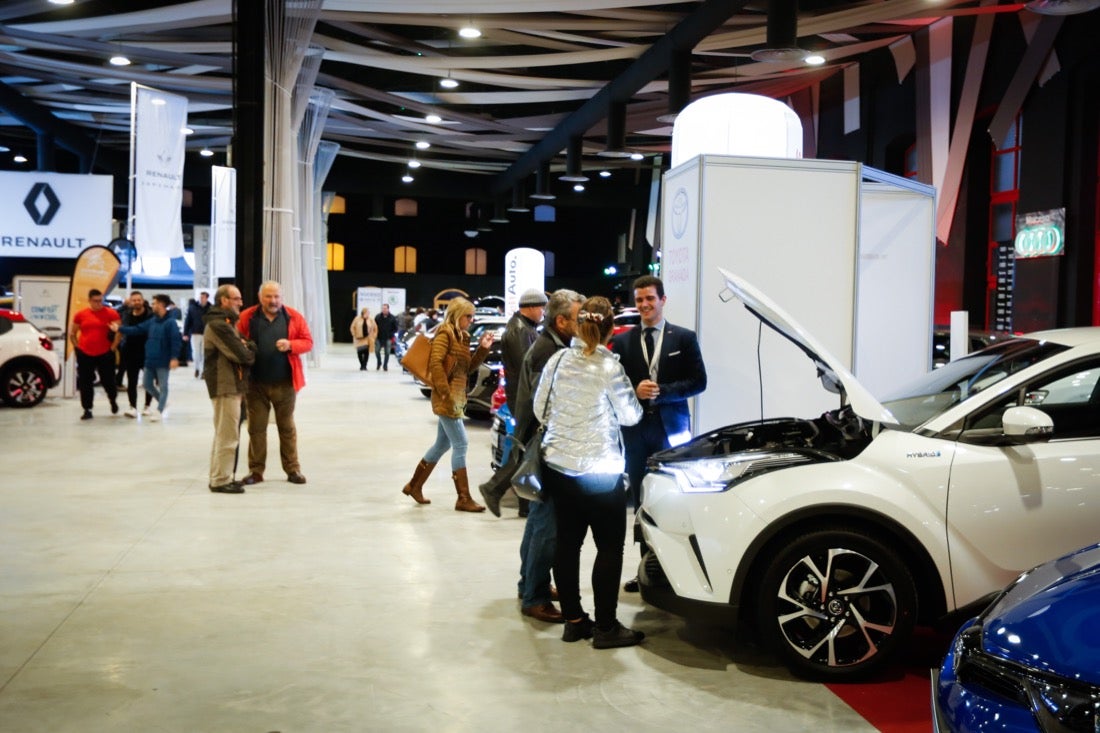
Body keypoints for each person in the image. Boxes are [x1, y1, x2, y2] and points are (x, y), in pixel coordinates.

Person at [533, 296, 644, 648]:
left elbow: (539, 410)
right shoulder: (610, 367)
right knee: (609, 547)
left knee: (567, 544)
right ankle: (607, 628)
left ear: (579, 326)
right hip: (601, 473)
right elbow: (631, 416)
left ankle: (574, 621)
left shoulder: (557, 359)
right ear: (611, 328)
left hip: (558, 468)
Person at [478, 289, 584, 624]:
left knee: (539, 522)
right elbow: (544, 406)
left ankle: (532, 585)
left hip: (543, 443)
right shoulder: (547, 351)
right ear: (562, 319)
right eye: (578, 318)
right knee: (546, 525)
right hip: (546, 446)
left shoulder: (551, 345)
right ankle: (534, 596)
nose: (583, 324)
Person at [610, 275, 707, 592]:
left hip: (673, 432)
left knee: (676, 503)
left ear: (662, 300)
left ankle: (677, 576)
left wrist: (663, 392)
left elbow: (699, 382)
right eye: (639, 300)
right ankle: (645, 572)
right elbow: (615, 386)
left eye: (650, 298)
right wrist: (634, 391)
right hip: (636, 433)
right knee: (641, 503)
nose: (644, 305)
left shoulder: (684, 338)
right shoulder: (623, 342)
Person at [400, 297, 494, 512]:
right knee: (461, 444)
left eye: (472, 316)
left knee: (442, 445)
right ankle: (463, 498)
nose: (471, 320)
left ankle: (414, 485)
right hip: (447, 398)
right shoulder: (445, 333)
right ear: (457, 315)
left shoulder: (463, 336)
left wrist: (482, 349)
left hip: (457, 398)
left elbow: (466, 368)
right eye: (467, 316)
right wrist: (445, 394)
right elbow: (435, 364)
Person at [237, 281, 314, 486]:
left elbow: (308, 342)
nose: (273, 301)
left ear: (282, 297)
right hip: (255, 384)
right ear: (260, 297)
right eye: (268, 297)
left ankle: (292, 469)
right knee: (256, 428)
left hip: (285, 383)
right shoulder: (247, 317)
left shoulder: (294, 317)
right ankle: (256, 471)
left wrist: (291, 345)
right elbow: (236, 340)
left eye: (277, 296)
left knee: (286, 427)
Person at [202, 284, 255, 494]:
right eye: (236, 299)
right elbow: (244, 355)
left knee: (223, 434)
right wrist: (247, 349)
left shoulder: (226, 324)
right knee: (228, 435)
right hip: (226, 386)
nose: (240, 303)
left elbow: (247, 346)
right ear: (224, 300)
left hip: (230, 386)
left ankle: (219, 476)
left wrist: (247, 346)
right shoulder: (220, 325)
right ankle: (221, 480)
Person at [500, 288, 548, 517]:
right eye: (541, 307)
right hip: (524, 400)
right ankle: (521, 502)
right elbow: (527, 369)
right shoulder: (520, 331)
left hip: (523, 398)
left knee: (525, 448)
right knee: (525, 450)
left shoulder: (523, 328)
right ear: (530, 306)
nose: (543, 312)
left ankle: (512, 496)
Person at [112, 294, 182, 421]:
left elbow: (175, 340)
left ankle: (159, 410)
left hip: (163, 360)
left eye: (154, 303)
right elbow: (137, 329)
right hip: (149, 359)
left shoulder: (170, 323)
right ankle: (163, 401)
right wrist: (120, 329)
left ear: (161, 305)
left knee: (163, 385)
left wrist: (174, 357)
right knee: (147, 384)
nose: (152, 305)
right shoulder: (152, 321)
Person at [70, 288, 121, 420]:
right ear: (89, 301)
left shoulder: (111, 313)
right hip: (85, 353)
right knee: (85, 382)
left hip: (105, 353)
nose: (98, 303)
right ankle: (87, 409)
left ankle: (113, 400)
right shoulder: (81, 315)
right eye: (95, 301)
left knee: (108, 380)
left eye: (100, 300)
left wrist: (113, 348)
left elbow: (119, 332)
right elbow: (72, 333)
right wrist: (77, 348)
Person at [117, 292, 154, 417]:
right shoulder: (126, 315)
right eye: (134, 300)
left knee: (148, 381)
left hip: (147, 352)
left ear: (143, 301)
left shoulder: (150, 315)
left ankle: (147, 406)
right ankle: (132, 407)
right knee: (131, 381)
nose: (137, 302)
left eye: (139, 300)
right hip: (130, 351)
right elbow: (122, 330)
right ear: (130, 302)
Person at [183, 291, 211, 378]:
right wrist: (185, 333)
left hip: (207, 334)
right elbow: (188, 321)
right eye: (200, 297)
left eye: (203, 297)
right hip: (195, 333)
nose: (201, 299)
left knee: (204, 353)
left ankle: (203, 371)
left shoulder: (211, 308)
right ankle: (197, 368)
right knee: (196, 353)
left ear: (207, 298)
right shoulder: (192, 308)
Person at [373, 303, 398, 371]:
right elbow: (374, 327)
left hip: (388, 338)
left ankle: (385, 365)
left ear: (388, 309)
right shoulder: (377, 317)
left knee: (387, 352)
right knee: (377, 351)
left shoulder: (392, 318)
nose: (384, 310)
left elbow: (395, 328)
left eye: (385, 308)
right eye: (383, 308)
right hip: (379, 337)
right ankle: (379, 362)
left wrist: (391, 334)